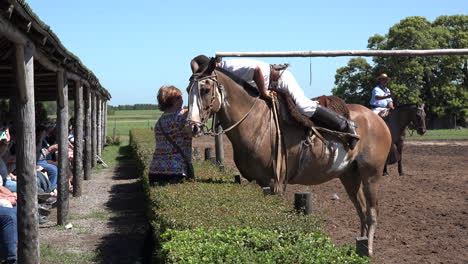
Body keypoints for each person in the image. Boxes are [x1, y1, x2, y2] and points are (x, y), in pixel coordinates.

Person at [191, 55, 360, 149]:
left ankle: (346, 125)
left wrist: (263, 92)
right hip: (268, 83)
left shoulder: (229, 68)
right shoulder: (220, 75)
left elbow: (256, 70)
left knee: (304, 106)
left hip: (279, 79)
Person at [148, 85, 193, 185]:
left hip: (155, 170)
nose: (183, 99)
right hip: (176, 170)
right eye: (180, 97)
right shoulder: (183, 116)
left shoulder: (159, 121)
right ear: (173, 100)